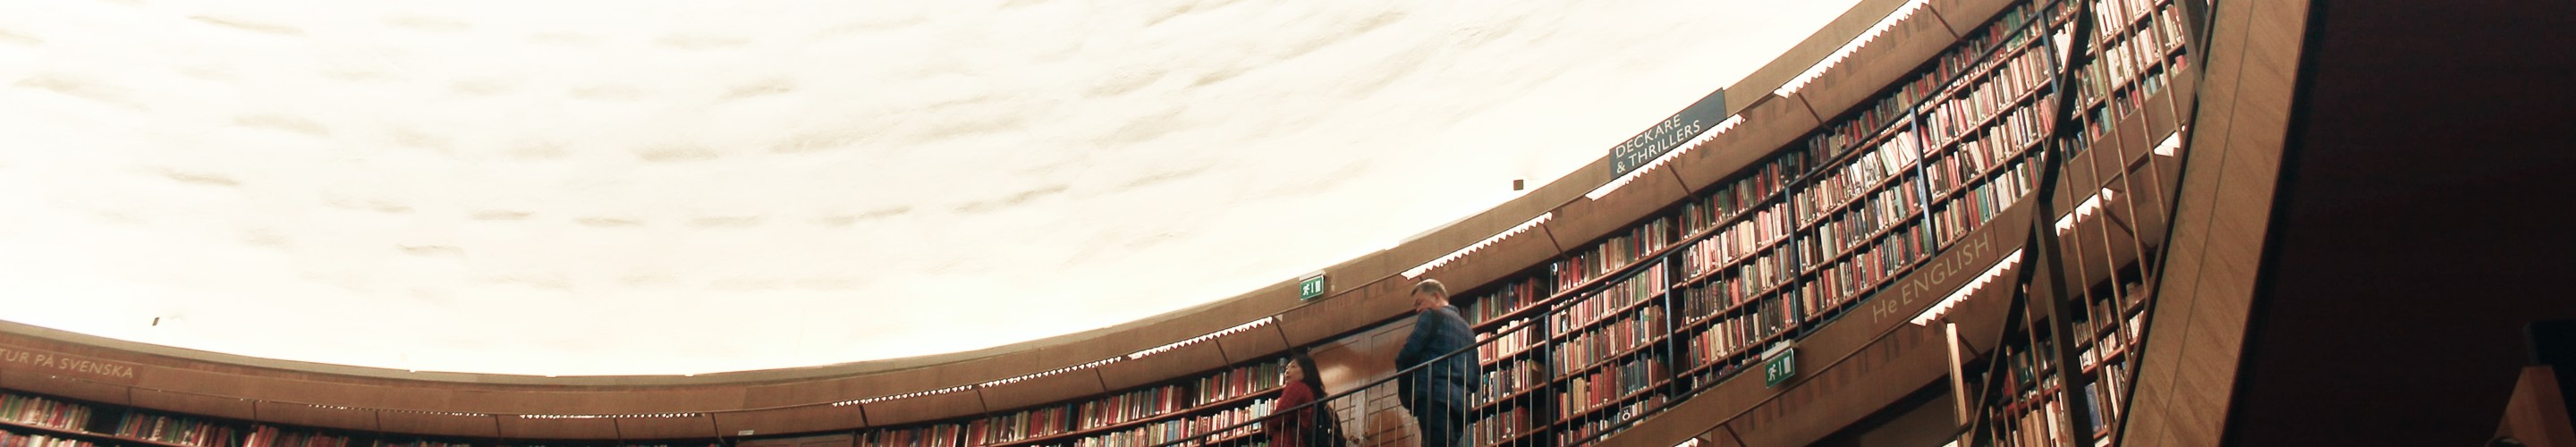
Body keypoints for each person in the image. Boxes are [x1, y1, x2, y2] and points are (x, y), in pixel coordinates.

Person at [1394, 280, 1476, 447]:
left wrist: (1407, 386)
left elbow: (1408, 353)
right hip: (1461, 404)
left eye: (1419, 303)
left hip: (1434, 395)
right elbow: (1475, 376)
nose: (1417, 310)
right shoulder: (1469, 331)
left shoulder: (1432, 316)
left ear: (1437, 297)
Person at [1267, 351, 1330, 447]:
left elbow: (1279, 416)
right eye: (1286, 368)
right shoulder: (1311, 393)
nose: (1287, 371)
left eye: (1293, 367)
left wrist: (1266, 422)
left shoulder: (1297, 386)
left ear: (1306, 371)